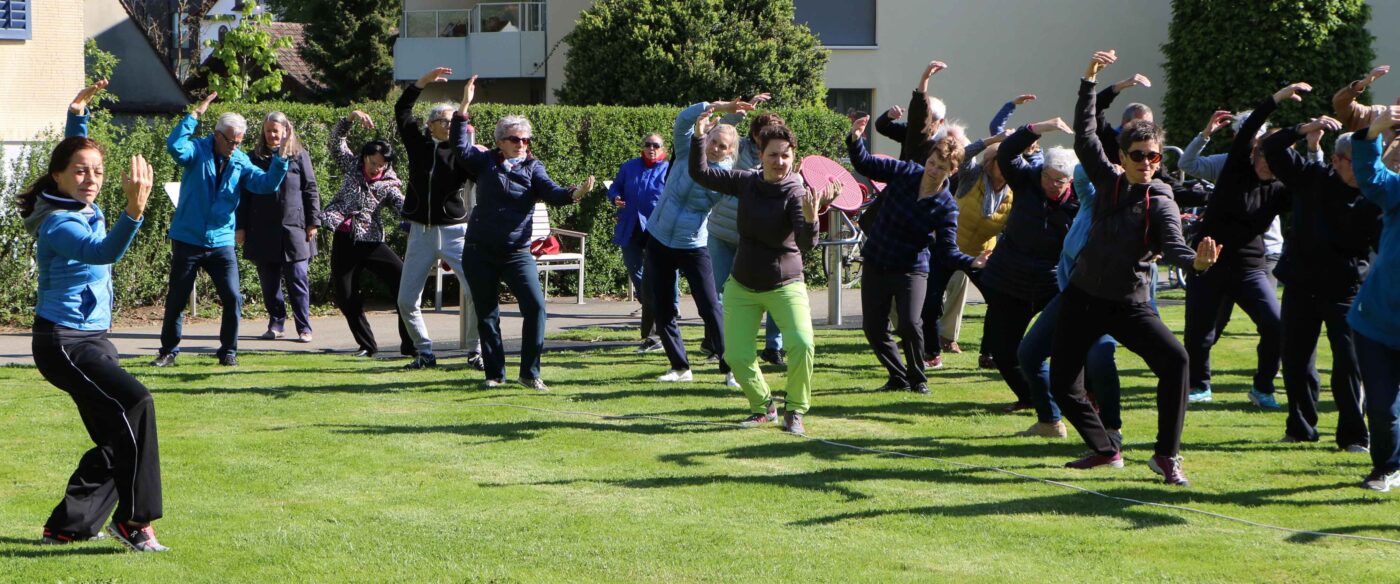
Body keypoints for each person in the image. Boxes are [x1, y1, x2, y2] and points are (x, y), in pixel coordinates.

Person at [1056, 49, 1221, 485]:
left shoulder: (1160, 200)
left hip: (1129, 304)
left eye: (1153, 156)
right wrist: (1089, 80)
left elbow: (1174, 246)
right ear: (1123, 156)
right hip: (1082, 297)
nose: (1147, 163)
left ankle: (1166, 456)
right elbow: (1084, 134)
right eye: (1138, 155)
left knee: (1177, 362)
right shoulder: (1107, 181)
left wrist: (1196, 263)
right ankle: (1105, 449)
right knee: (1063, 385)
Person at [20, 128, 169, 550]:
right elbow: (102, 252)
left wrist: (77, 115)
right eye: (80, 172)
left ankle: (69, 525)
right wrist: (134, 211)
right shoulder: (58, 223)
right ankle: (134, 521)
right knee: (137, 402)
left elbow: (74, 152)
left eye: (98, 171)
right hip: (64, 344)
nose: (91, 179)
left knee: (118, 436)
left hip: (95, 339)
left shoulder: (78, 205)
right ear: (58, 176)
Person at [689, 110, 835, 434]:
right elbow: (701, 173)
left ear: (793, 158)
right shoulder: (747, 182)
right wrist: (699, 137)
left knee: (802, 344)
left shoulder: (796, 193)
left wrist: (812, 219)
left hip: (785, 284)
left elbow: (806, 244)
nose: (779, 161)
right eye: (773, 155)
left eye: (785, 155)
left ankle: (795, 410)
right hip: (743, 284)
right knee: (736, 356)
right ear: (761, 155)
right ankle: (763, 406)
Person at [452, 78, 595, 390]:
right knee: (487, 314)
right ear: (500, 141)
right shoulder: (484, 162)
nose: (521, 145)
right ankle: (495, 375)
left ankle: (529, 373)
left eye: (526, 140)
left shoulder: (533, 168)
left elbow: (552, 192)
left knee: (536, 307)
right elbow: (460, 148)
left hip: (517, 252)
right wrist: (464, 106)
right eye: (515, 139)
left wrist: (575, 193)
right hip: (479, 251)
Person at [1179, 85, 1308, 407]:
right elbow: (1250, 127)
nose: (1267, 166)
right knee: (1201, 331)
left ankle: (1263, 388)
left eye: (1274, 163)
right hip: (1209, 261)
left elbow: (1314, 188)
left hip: (1250, 267)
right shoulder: (1235, 168)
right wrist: (1277, 98)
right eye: (1263, 158)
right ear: (1254, 153)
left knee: (1275, 326)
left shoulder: (1280, 189)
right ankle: (1198, 385)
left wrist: (1314, 145)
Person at [1262, 117, 1380, 452]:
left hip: (1347, 290)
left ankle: (1354, 436)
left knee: (1350, 363)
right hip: (1301, 284)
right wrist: (1302, 129)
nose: (1360, 169)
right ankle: (1301, 428)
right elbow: (1271, 147)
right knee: (1296, 361)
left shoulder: (1373, 193)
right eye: (1354, 162)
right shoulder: (1311, 177)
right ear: (1337, 159)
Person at [847, 116, 989, 394]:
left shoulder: (947, 207)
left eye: (941, 167)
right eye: (932, 163)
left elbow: (947, 251)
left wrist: (972, 261)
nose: (933, 170)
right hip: (877, 260)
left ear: (953, 171)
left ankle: (919, 379)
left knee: (911, 324)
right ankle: (899, 377)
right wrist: (856, 138)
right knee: (873, 328)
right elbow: (865, 164)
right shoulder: (906, 171)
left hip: (911, 269)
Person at [154, 92, 287, 367]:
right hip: (188, 239)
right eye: (231, 141)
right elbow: (175, 147)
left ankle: (228, 351)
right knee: (177, 298)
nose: (235, 147)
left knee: (233, 297)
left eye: (239, 142)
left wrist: (281, 158)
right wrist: (195, 115)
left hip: (222, 241)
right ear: (217, 135)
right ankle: (168, 351)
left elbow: (266, 185)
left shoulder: (240, 161)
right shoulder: (196, 151)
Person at [645, 98, 764, 386]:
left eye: (723, 147)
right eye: (713, 142)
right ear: (706, 137)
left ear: (730, 151)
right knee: (662, 307)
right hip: (659, 238)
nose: (716, 148)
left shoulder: (724, 176)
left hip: (692, 244)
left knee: (710, 307)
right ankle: (680, 367)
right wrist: (720, 106)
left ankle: (731, 368)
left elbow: (747, 188)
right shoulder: (686, 150)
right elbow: (683, 121)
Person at [981, 118, 1079, 412]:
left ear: (1071, 181)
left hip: (1053, 283)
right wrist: (1037, 128)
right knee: (1003, 351)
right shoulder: (1026, 180)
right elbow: (1006, 152)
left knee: (1071, 345)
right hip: (1010, 280)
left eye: (1060, 181)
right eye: (1048, 176)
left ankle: (1082, 398)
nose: (1052, 184)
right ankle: (1031, 398)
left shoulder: (1081, 201)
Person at [395, 67, 483, 371]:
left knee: (476, 292)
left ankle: (475, 350)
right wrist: (422, 82)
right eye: (444, 121)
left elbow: (484, 175)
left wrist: (465, 105)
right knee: (406, 300)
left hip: (457, 232)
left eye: (452, 121)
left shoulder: (462, 153)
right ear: (430, 125)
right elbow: (402, 110)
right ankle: (425, 353)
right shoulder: (417, 144)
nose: (449, 125)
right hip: (421, 232)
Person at [321, 110, 415, 358]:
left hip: (371, 241)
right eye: (373, 163)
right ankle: (367, 345)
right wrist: (350, 118)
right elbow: (336, 142)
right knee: (346, 295)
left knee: (403, 281)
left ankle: (410, 343)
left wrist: (416, 215)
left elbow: (402, 206)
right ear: (364, 158)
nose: (376, 169)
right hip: (345, 238)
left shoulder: (389, 183)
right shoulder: (351, 167)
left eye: (382, 165)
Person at [708, 106, 787, 366]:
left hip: (752, 237)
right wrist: (736, 112)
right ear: (754, 134)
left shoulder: (779, 158)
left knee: (775, 290)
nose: (767, 136)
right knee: (720, 292)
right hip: (722, 232)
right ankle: (721, 345)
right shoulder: (738, 148)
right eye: (763, 132)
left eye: (773, 131)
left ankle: (773, 347)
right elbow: (718, 132)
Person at [1349, 105, 1400, 492]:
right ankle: (1386, 466)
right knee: (1382, 406)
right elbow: (1371, 176)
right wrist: (1371, 134)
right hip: (1376, 322)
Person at [235, 112, 319, 344]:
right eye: (268, 130)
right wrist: (240, 227)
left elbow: (310, 188)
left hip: (295, 228)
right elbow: (243, 195)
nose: (272, 135)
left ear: (285, 131)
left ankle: (304, 327)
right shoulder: (253, 158)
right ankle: (276, 323)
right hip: (262, 229)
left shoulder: (299, 155)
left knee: (298, 279)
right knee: (269, 283)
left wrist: (313, 222)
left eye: (276, 130)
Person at [608, 132, 672, 353]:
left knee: (657, 277)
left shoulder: (668, 169)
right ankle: (653, 311)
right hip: (631, 227)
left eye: (656, 145)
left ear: (663, 148)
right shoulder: (629, 166)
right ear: (642, 147)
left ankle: (658, 326)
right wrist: (615, 197)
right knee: (636, 273)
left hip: (657, 228)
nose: (651, 148)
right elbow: (615, 187)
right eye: (648, 144)